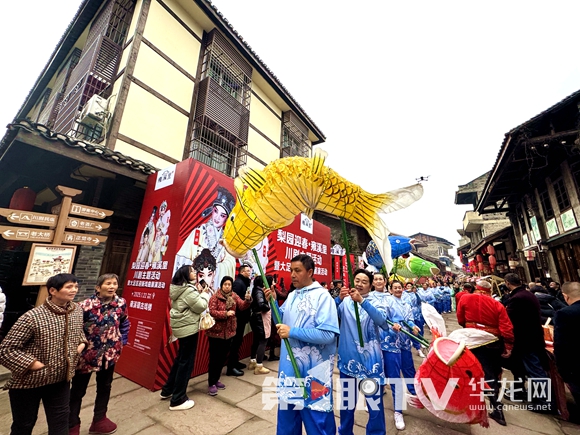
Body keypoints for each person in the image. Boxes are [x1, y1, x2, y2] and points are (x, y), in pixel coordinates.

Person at [0, 273, 87, 435]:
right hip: (28, 382)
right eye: (69, 287)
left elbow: (79, 333)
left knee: (61, 422)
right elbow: (6, 350)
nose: (74, 290)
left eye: (75, 286)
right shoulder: (33, 317)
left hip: (61, 379)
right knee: (24, 424)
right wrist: (34, 365)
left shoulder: (76, 311)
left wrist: (80, 345)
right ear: (53, 290)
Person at [264, 254, 339, 435]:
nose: (293, 275)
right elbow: (281, 322)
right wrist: (273, 302)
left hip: (315, 374)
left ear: (310, 272)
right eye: (291, 270)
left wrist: (293, 332)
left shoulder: (323, 297)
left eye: (297, 270)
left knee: (318, 424)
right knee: (287, 424)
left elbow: (328, 334)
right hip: (290, 371)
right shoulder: (292, 296)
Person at [69, 273, 130, 435]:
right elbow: (75, 330)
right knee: (77, 390)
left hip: (110, 354)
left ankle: (99, 419)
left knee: (105, 386)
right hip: (86, 355)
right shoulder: (85, 306)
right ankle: (72, 424)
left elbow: (124, 322)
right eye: (108, 283)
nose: (112, 287)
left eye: (114, 283)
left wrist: (122, 341)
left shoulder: (121, 303)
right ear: (98, 287)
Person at [336, 269, 390, 435]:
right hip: (348, 360)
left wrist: (362, 302)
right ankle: (345, 431)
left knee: (374, 405)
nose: (359, 284)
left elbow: (383, 322)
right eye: (357, 280)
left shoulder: (377, 300)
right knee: (347, 404)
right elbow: (330, 316)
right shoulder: (345, 302)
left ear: (371, 285)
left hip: (369, 363)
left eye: (364, 281)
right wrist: (338, 299)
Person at [456, 279, 514, 426]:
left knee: (473, 371)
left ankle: (485, 405)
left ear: (477, 287)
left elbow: (460, 319)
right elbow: (506, 327)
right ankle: (496, 406)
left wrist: (470, 328)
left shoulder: (466, 298)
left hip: (473, 341)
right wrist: (508, 345)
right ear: (489, 290)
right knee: (492, 373)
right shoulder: (497, 304)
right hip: (493, 342)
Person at [159, 265, 210, 410]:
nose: (195, 273)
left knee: (180, 359)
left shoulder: (179, 288)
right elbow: (200, 306)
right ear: (186, 275)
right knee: (186, 363)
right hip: (188, 328)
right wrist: (205, 294)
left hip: (181, 327)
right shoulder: (188, 290)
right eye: (192, 271)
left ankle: (167, 390)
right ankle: (178, 399)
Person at [372, 280, 420, 430]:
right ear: (390, 289)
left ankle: (413, 393)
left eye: (400, 287)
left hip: (405, 343)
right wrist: (392, 324)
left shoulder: (406, 304)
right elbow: (382, 319)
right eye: (395, 288)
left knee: (409, 369)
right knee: (393, 377)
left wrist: (413, 326)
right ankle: (396, 411)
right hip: (390, 343)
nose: (398, 290)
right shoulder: (387, 301)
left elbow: (410, 320)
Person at [503, 273, 552, 412]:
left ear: (507, 283)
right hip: (532, 337)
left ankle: (544, 402)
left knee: (535, 371)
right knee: (526, 369)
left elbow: (509, 318)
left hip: (526, 339)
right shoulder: (527, 294)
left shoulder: (517, 298)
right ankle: (525, 393)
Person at [174, 186, 236, 292]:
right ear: (212, 210)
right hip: (195, 286)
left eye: (222, 215)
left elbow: (230, 263)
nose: (217, 218)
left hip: (213, 289)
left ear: (226, 218)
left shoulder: (226, 240)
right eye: (215, 211)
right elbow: (182, 258)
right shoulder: (199, 232)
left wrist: (217, 269)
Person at [206, 276, 251, 396]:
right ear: (221, 285)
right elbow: (212, 312)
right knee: (214, 359)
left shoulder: (234, 296)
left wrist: (247, 300)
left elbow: (242, 306)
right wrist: (225, 313)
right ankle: (211, 383)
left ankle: (216, 380)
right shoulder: (215, 297)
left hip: (229, 333)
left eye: (229, 284)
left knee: (222, 358)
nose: (227, 286)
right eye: (225, 284)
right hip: (216, 334)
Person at [554, 282, 580, 407]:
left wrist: (562, 370)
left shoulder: (564, 314)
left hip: (576, 367)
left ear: (565, 296)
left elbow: (561, 344)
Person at [227, 263, 253, 376]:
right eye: (247, 271)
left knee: (238, 342)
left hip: (242, 317)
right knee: (235, 342)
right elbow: (234, 303)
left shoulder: (244, 282)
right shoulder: (238, 284)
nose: (250, 272)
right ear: (242, 272)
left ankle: (235, 362)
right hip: (237, 318)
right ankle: (230, 367)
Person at [248, 275, 272, 375]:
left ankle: (253, 361)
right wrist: (268, 304)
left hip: (256, 318)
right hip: (260, 319)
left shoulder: (256, 290)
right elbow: (261, 305)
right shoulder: (259, 291)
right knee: (263, 340)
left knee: (256, 340)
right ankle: (259, 366)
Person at [403, 282, 426, 358]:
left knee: (420, 330)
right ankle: (418, 348)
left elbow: (420, 302)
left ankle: (421, 341)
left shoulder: (416, 294)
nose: (409, 287)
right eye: (408, 286)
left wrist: (416, 293)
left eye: (411, 286)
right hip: (409, 316)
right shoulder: (403, 294)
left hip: (417, 315)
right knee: (413, 332)